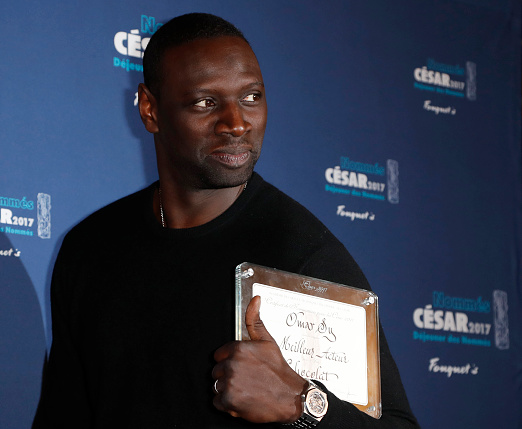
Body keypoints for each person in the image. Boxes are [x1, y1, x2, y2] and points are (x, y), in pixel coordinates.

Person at [33, 12, 419, 428]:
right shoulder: (91, 248)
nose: (236, 123)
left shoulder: (301, 256)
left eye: (251, 96)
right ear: (150, 109)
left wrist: (300, 404)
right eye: (205, 102)